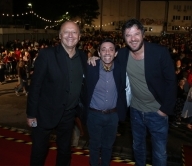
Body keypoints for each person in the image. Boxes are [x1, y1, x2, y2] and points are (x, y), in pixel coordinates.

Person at [88, 19, 177, 166]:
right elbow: (107, 55)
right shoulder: (122, 54)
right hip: (135, 111)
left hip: (157, 112)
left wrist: (165, 109)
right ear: (124, 37)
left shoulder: (159, 52)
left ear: (143, 34)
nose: (133, 38)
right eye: (128, 35)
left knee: (159, 152)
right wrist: (95, 58)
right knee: (137, 147)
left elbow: (171, 82)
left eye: (136, 34)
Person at [26, 21, 87, 166]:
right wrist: (31, 114)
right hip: (44, 113)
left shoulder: (83, 57)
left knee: (65, 151)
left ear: (79, 37)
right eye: (66, 32)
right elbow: (35, 87)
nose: (70, 35)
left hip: (68, 114)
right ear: (60, 36)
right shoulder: (47, 55)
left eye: (74, 32)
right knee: (39, 151)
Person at [86, 39, 127, 166]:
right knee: (94, 146)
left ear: (115, 53)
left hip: (113, 116)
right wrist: (89, 58)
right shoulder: (90, 67)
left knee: (108, 147)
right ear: (98, 53)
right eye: (103, 49)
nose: (107, 52)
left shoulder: (121, 69)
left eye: (111, 49)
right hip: (94, 115)